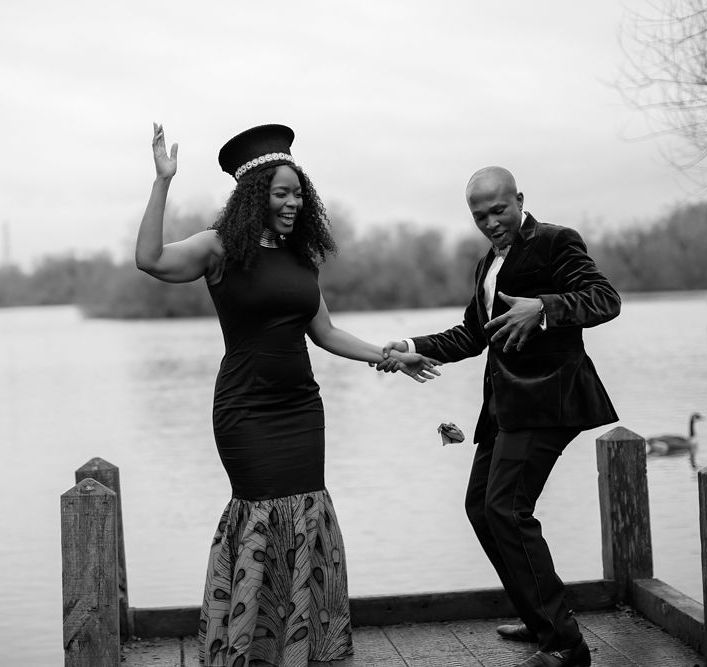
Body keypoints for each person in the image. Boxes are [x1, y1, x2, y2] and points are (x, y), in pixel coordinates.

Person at [135, 122, 439, 667]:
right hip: (246, 410)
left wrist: (391, 356)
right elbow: (150, 260)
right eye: (281, 193)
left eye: (299, 192)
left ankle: (302, 648)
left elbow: (325, 333)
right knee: (260, 516)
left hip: (302, 409)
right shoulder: (218, 247)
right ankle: (247, 648)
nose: (294, 202)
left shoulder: (302, 258)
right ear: (256, 195)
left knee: (306, 519)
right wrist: (163, 182)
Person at [378, 166, 620, 667]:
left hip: (549, 401)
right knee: (480, 508)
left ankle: (566, 646)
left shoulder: (555, 241)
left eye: (498, 210)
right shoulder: (488, 264)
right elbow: (472, 334)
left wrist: (545, 308)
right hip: (505, 407)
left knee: (507, 511)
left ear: (519, 200)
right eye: (479, 214)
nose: (490, 222)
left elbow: (604, 299)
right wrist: (408, 346)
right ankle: (540, 622)